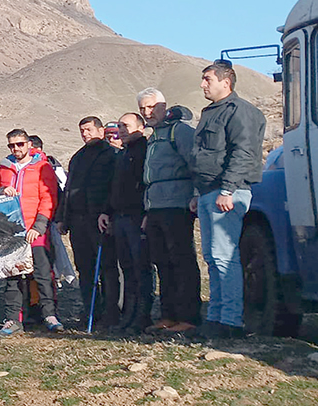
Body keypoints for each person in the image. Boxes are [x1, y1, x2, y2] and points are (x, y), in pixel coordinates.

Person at [188, 61, 266, 339]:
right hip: (210, 192)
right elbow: (204, 156)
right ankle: (216, 318)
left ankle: (231, 321)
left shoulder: (241, 112)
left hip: (227, 193)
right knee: (212, 256)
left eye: (207, 79)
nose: (202, 84)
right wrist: (199, 193)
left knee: (225, 257)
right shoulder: (210, 113)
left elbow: (243, 153)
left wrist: (228, 189)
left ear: (226, 82)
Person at [137, 89, 200, 335]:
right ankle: (168, 315)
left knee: (182, 260)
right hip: (155, 207)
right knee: (162, 262)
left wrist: (196, 194)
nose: (147, 112)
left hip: (177, 204)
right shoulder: (153, 137)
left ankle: (189, 317)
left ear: (163, 106)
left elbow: (195, 163)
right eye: (142, 108)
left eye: (151, 107)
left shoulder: (180, 131)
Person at [0, 131, 63, 335]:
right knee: (13, 275)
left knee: (42, 273)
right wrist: (1, 192)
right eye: (11, 145)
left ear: (29, 144)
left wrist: (39, 226)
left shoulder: (42, 167)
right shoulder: (5, 168)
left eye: (20, 144)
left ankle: (49, 314)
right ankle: (13, 319)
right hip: (11, 231)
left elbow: (49, 197)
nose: (16, 149)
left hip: (35, 228)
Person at [60, 118, 118, 330]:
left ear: (101, 130)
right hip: (77, 221)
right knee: (84, 268)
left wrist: (108, 212)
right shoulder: (77, 157)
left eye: (89, 130)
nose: (85, 134)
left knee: (107, 268)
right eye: (82, 130)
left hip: (100, 219)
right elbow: (68, 191)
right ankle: (91, 309)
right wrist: (63, 218)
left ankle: (112, 312)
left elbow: (114, 187)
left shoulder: (111, 154)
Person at [102, 112, 151, 333]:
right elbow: (115, 187)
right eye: (119, 125)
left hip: (136, 216)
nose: (122, 130)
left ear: (140, 127)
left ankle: (143, 315)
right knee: (127, 267)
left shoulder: (145, 150)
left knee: (141, 267)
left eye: (126, 125)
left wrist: (147, 213)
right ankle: (129, 314)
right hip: (119, 217)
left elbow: (145, 183)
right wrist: (107, 212)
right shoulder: (122, 154)